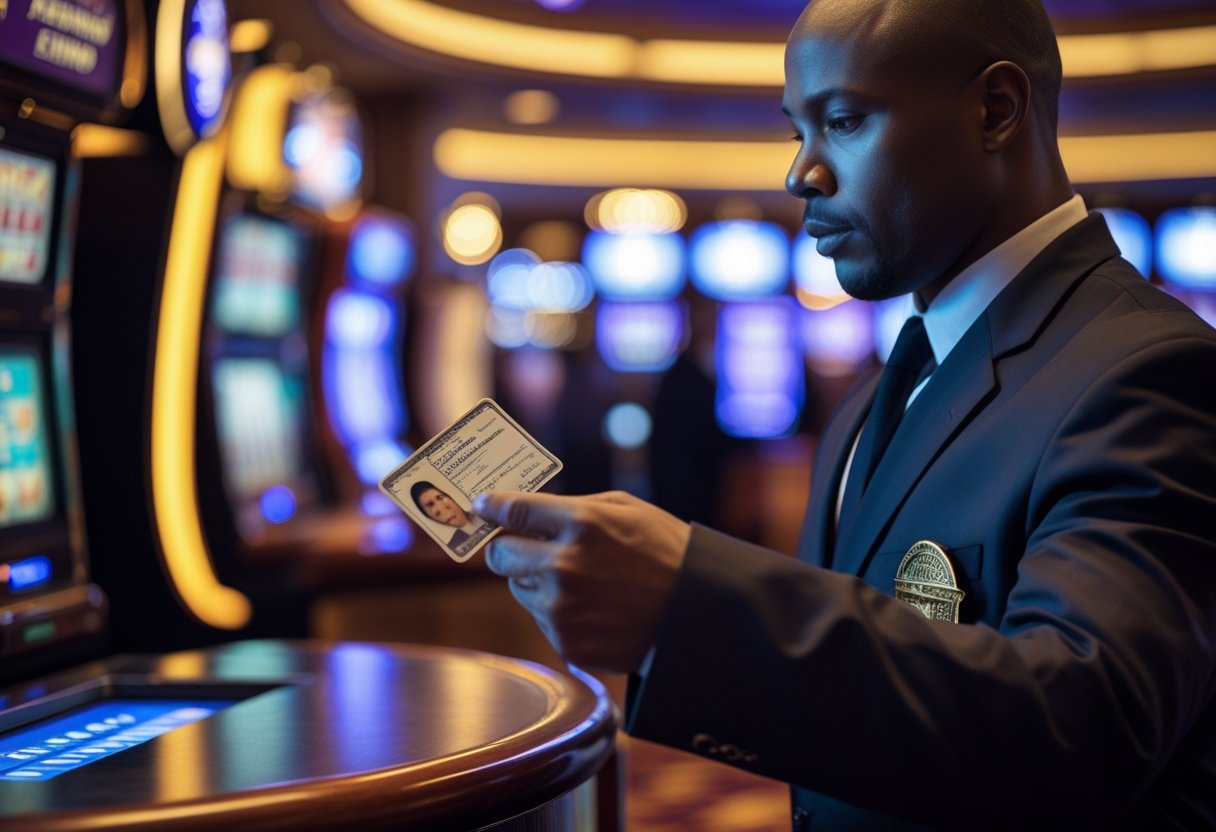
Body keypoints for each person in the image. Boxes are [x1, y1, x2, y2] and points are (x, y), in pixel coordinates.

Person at [475, 0, 1216, 828]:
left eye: (844, 120)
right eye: (800, 131)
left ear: (996, 110)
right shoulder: (875, 397)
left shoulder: (1151, 371)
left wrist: (688, 603)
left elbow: (1079, 729)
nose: (801, 173)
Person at [409, 480, 486, 553]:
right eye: (430, 505)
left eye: (440, 497)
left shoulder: (485, 510)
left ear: (450, 496)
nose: (441, 509)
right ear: (427, 516)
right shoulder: (454, 547)